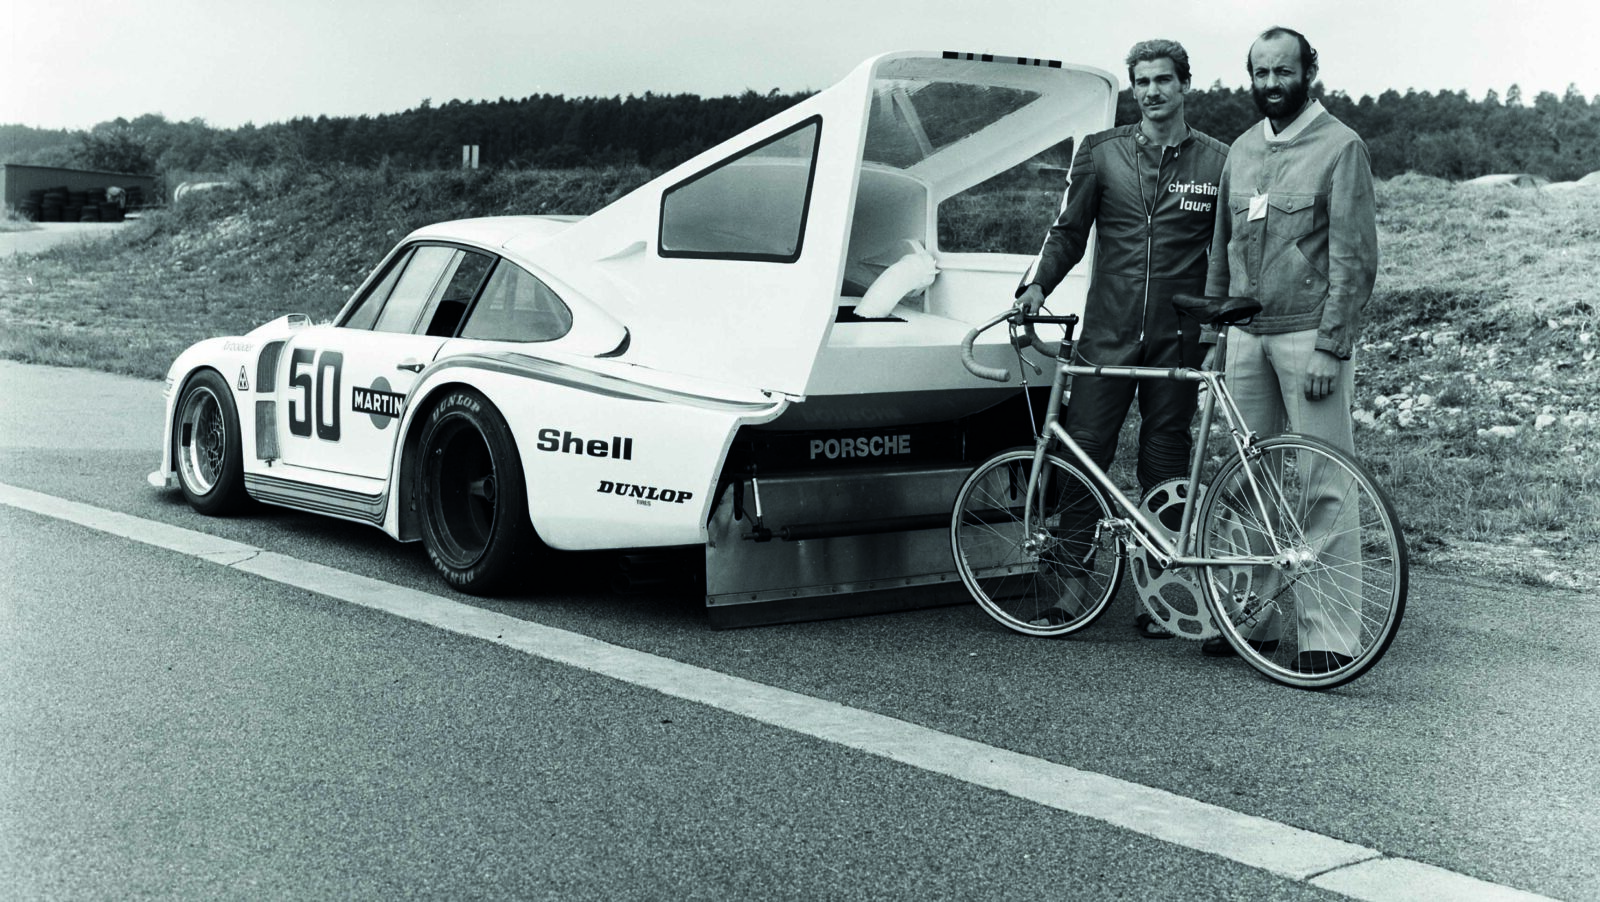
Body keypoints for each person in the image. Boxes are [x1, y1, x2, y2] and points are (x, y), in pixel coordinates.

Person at [1016, 39, 1228, 636]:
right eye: (1142, 82)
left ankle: (1160, 593)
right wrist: (1038, 287)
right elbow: (1068, 232)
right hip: (1106, 336)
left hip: (1177, 338)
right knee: (1083, 452)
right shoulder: (1101, 154)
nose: (1153, 91)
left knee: (1165, 459)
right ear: (1134, 88)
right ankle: (1072, 586)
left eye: (1164, 80)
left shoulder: (1218, 161)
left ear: (1185, 84)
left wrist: (1215, 328)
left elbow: (1228, 253)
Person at [1200, 27, 1378, 672]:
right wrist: (1213, 334)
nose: (1271, 84)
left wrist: (1333, 346)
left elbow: (1355, 259)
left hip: (1308, 339)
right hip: (1244, 337)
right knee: (1247, 480)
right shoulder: (1242, 149)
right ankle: (1248, 617)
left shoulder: (1341, 147)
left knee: (1323, 482)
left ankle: (1328, 634)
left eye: (1283, 71)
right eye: (1261, 73)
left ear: (1310, 71)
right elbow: (1221, 248)